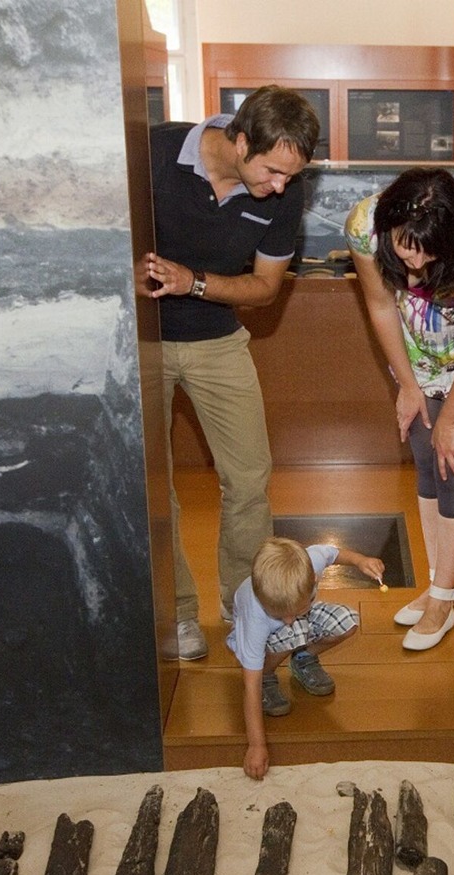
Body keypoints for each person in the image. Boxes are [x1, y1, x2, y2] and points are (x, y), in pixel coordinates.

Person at [144, 86, 321, 661]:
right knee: (152, 483)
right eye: (271, 171)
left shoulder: (281, 193)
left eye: (290, 178)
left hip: (219, 342)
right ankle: (176, 612)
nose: (279, 188)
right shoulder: (149, 152)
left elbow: (266, 289)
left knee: (248, 481)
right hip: (142, 343)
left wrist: (190, 281)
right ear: (240, 140)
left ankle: (243, 603)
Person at [344, 168, 454, 651]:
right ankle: (435, 586)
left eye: (428, 253)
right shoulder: (365, 222)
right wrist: (407, 386)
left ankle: (444, 598)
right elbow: (382, 306)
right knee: (426, 463)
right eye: (406, 247)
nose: (414, 264)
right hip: (411, 352)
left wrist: (450, 419)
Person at [233, 537, 380, 779]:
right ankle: (269, 674)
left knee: (348, 622)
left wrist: (361, 561)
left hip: (297, 626)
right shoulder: (256, 616)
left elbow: (334, 553)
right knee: (292, 632)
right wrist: (256, 745)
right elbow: (249, 685)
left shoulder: (310, 564)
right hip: (259, 637)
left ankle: (303, 657)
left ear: (313, 580)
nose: (289, 619)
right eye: (280, 614)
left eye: (295, 611)